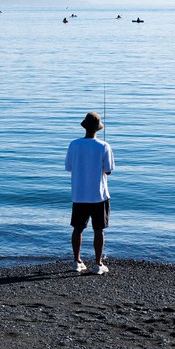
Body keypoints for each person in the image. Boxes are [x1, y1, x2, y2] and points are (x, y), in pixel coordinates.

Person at [65, 111, 115, 274]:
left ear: (85, 127)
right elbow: (108, 171)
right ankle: (98, 264)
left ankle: (77, 261)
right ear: (98, 129)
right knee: (98, 230)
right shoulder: (104, 146)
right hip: (98, 195)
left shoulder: (74, 144)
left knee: (78, 229)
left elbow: (69, 167)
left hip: (79, 195)